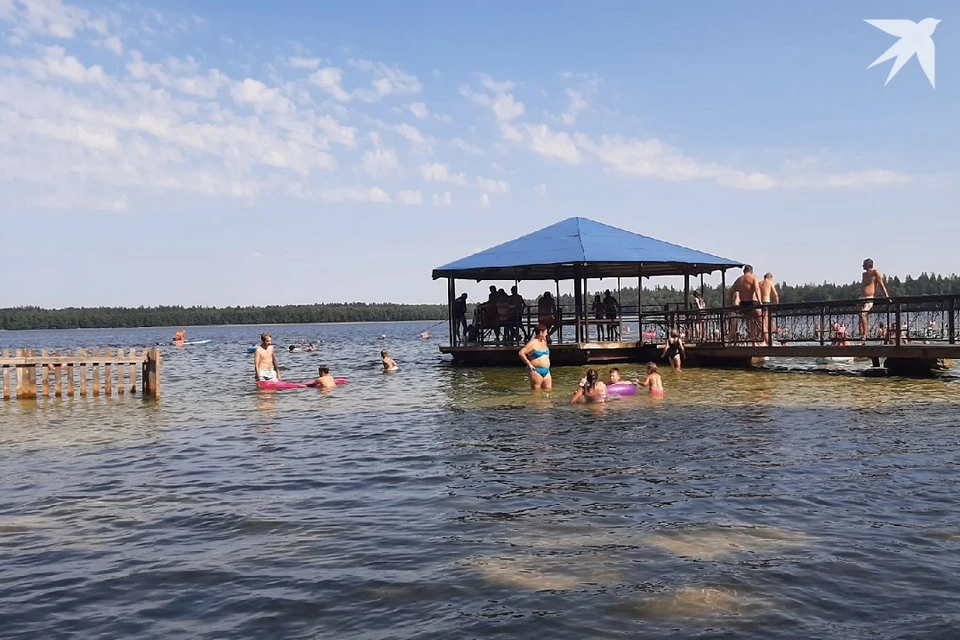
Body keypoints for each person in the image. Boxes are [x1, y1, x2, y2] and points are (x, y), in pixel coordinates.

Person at [859, 258, 891, 343]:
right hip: (862, 297)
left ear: (868, 265)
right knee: (860, 316)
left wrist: (887, 296)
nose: (863, 267)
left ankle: (865, 336)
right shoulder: (864, 275)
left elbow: (882, 285)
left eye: (864, 265)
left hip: (869, 297)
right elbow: (863, 286)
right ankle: (861, 335)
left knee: (863, 314)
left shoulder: (875, 273)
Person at [730, 265, 763, 343]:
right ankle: (766, 340)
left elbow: (731, 291)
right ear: (751, 271)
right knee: (761, 322)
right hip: (752, 302)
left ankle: (752, 340)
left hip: (743, 304)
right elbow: (757, 289)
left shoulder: (739, 280)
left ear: (743, 271)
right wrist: (760, 301)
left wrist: (730, 303)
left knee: (749, 322)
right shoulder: (753, 278)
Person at [519, 323, 552, 390]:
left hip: (547, 370)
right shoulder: (532, 343)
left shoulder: (544, 342)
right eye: (545, 332)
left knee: (548, 391)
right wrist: (529, 364)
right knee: (536, 393)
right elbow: (521, 353)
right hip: (536, 371)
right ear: (540, 332)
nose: (546, 334)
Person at [759, 272, 780, 344]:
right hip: (766, 302)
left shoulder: (759, 283)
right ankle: (767, 340)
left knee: (761, 321)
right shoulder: (769, 282)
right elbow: (775, 294)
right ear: (770, 277)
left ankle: (761, 338)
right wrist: (777, 304)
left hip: (759, 304)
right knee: (766, 321)